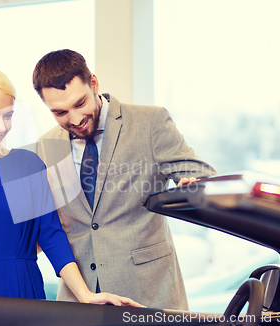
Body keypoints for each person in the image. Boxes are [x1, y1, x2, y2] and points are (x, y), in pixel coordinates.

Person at [0, 66, 144, 307]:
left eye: (7, 115)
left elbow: (51, 234)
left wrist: (85, 295)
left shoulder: (27, 165)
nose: (1, 126)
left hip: (28, 297)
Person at [33, 49, 217, 309]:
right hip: (79, 303)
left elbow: (199, 173)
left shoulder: (149, 122)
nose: (75, 120)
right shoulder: (45, 145)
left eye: (80, 103)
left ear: (94, 84)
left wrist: (195, 184)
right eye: (60, 112)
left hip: (147, 295)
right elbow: (41, 232)